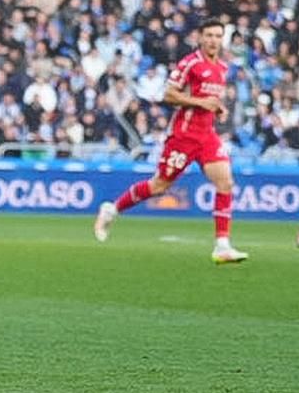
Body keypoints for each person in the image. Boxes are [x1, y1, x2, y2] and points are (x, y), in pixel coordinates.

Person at [94, 18, 247, 264]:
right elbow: (168, 94)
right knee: (159, 186)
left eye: (218, 36)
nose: (213, 40)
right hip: (183, 137)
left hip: (207, 135)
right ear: (200, 37)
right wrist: (200, 103)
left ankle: (222, 245)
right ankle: (111, 209)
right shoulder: (190, 63)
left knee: (225, 182)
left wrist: (217, 108)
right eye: (209, 35)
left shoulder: (222, 68)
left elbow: (209, 99)